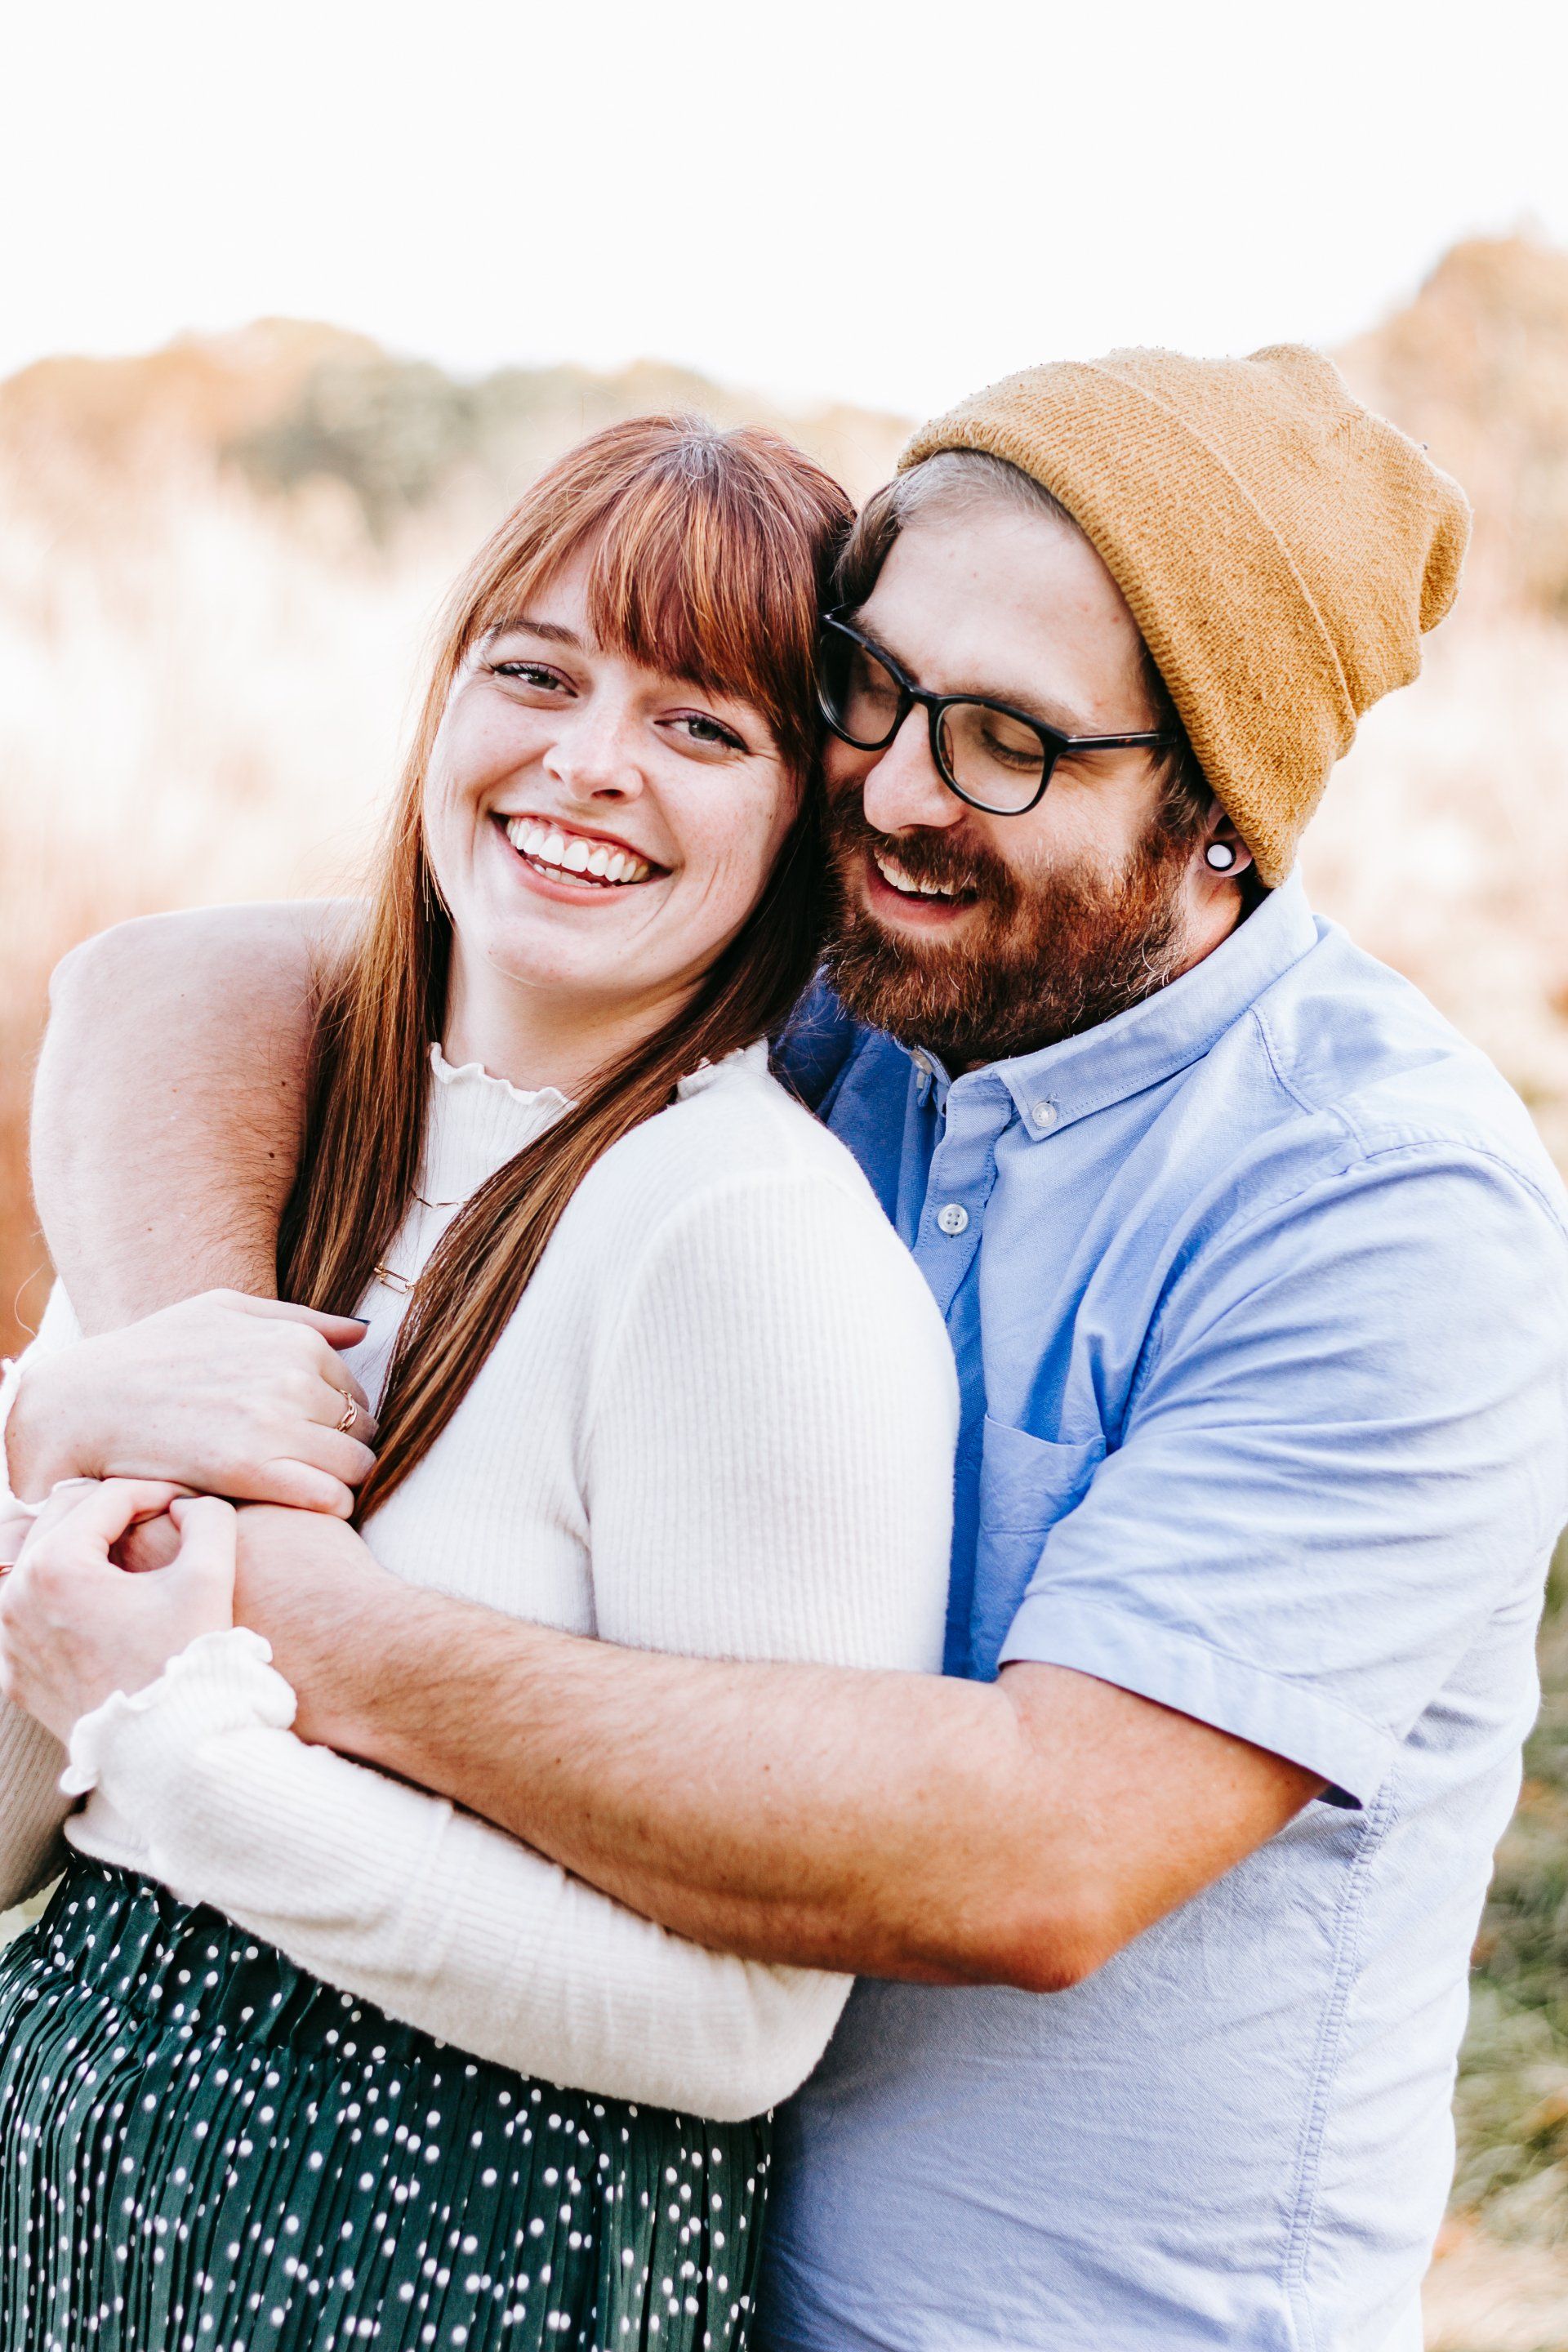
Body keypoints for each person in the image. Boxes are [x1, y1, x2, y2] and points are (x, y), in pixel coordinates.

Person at [8, 345, 1568, 2352]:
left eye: (1010, 740)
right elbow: (175, 989)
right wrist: (166, 1390)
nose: (901, 790)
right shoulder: (865, 975)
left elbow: (1040, 1855)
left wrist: (254, 1616)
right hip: (679, 2277)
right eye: (873, 691)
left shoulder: (1380, 1216)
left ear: (1221, 818)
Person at [0, 414, 960, 2352]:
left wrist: (174, 1746)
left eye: (703, 724)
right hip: (81, 2244)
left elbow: (738, 2028)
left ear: (803, 815)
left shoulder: (738, 1244)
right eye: (535, 671)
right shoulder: (236, 1151)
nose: (586, 761)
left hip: (457, 2271)